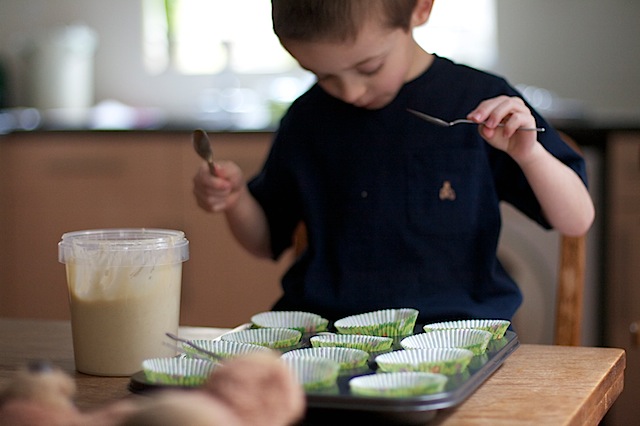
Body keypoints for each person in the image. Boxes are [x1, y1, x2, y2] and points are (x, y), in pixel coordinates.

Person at [193, 0, 594, 325]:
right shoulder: (306, 118)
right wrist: (236, 198)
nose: (348, 92)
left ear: (421, 9)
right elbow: (266, 241)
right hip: (324, 334)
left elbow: (575, 220)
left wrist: (530, 154)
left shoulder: (480, 99)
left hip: (455, 333)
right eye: (320, 75)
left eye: (368, 68)